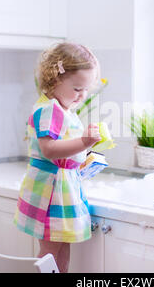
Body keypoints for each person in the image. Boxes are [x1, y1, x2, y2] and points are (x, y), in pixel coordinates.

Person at [13, 42, 102, 273]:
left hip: (61, 187)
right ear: (54, 79)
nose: (82, 96)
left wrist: (83, 157)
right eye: (76, 89)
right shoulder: (49, 109)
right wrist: (84, 142)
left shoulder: (63, 110)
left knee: (62, 251)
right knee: (50, 253)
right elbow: (49, 149)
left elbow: (63, 150)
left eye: (86, 90)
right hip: (50, 191)